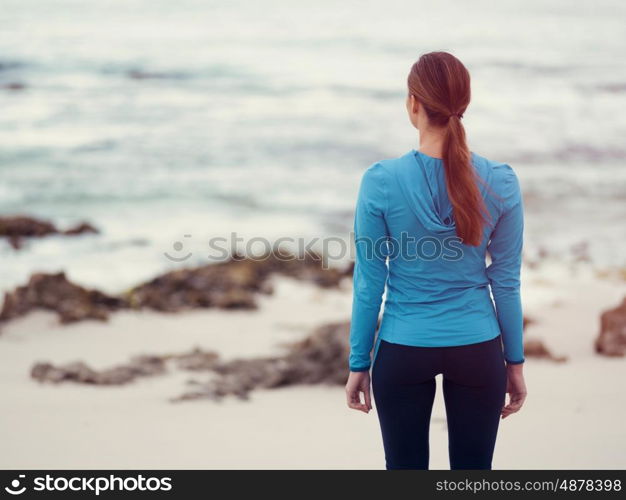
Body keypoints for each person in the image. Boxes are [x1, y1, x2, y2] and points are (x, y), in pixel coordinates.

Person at [345, 51, 527, 470]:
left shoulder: (380, 181)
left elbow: (369, 280)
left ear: (413, 104)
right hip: (478, 348)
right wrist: (513, 361)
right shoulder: (500, 180)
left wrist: (359, 362)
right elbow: (506, 281)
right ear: (464, 104)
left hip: (402, 348)